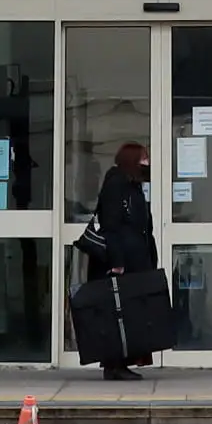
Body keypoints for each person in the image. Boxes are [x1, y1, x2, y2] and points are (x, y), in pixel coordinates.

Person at [77, 141, 161, 379]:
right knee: (118, 313)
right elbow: (111, 227)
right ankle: (114, 366)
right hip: (121, 262)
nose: (148, 162)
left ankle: (123, 362)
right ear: (133, 160)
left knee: (131, 312)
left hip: (135, 259)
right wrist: (117, 262)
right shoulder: (116, 184)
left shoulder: (132, 185)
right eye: (144, 158)